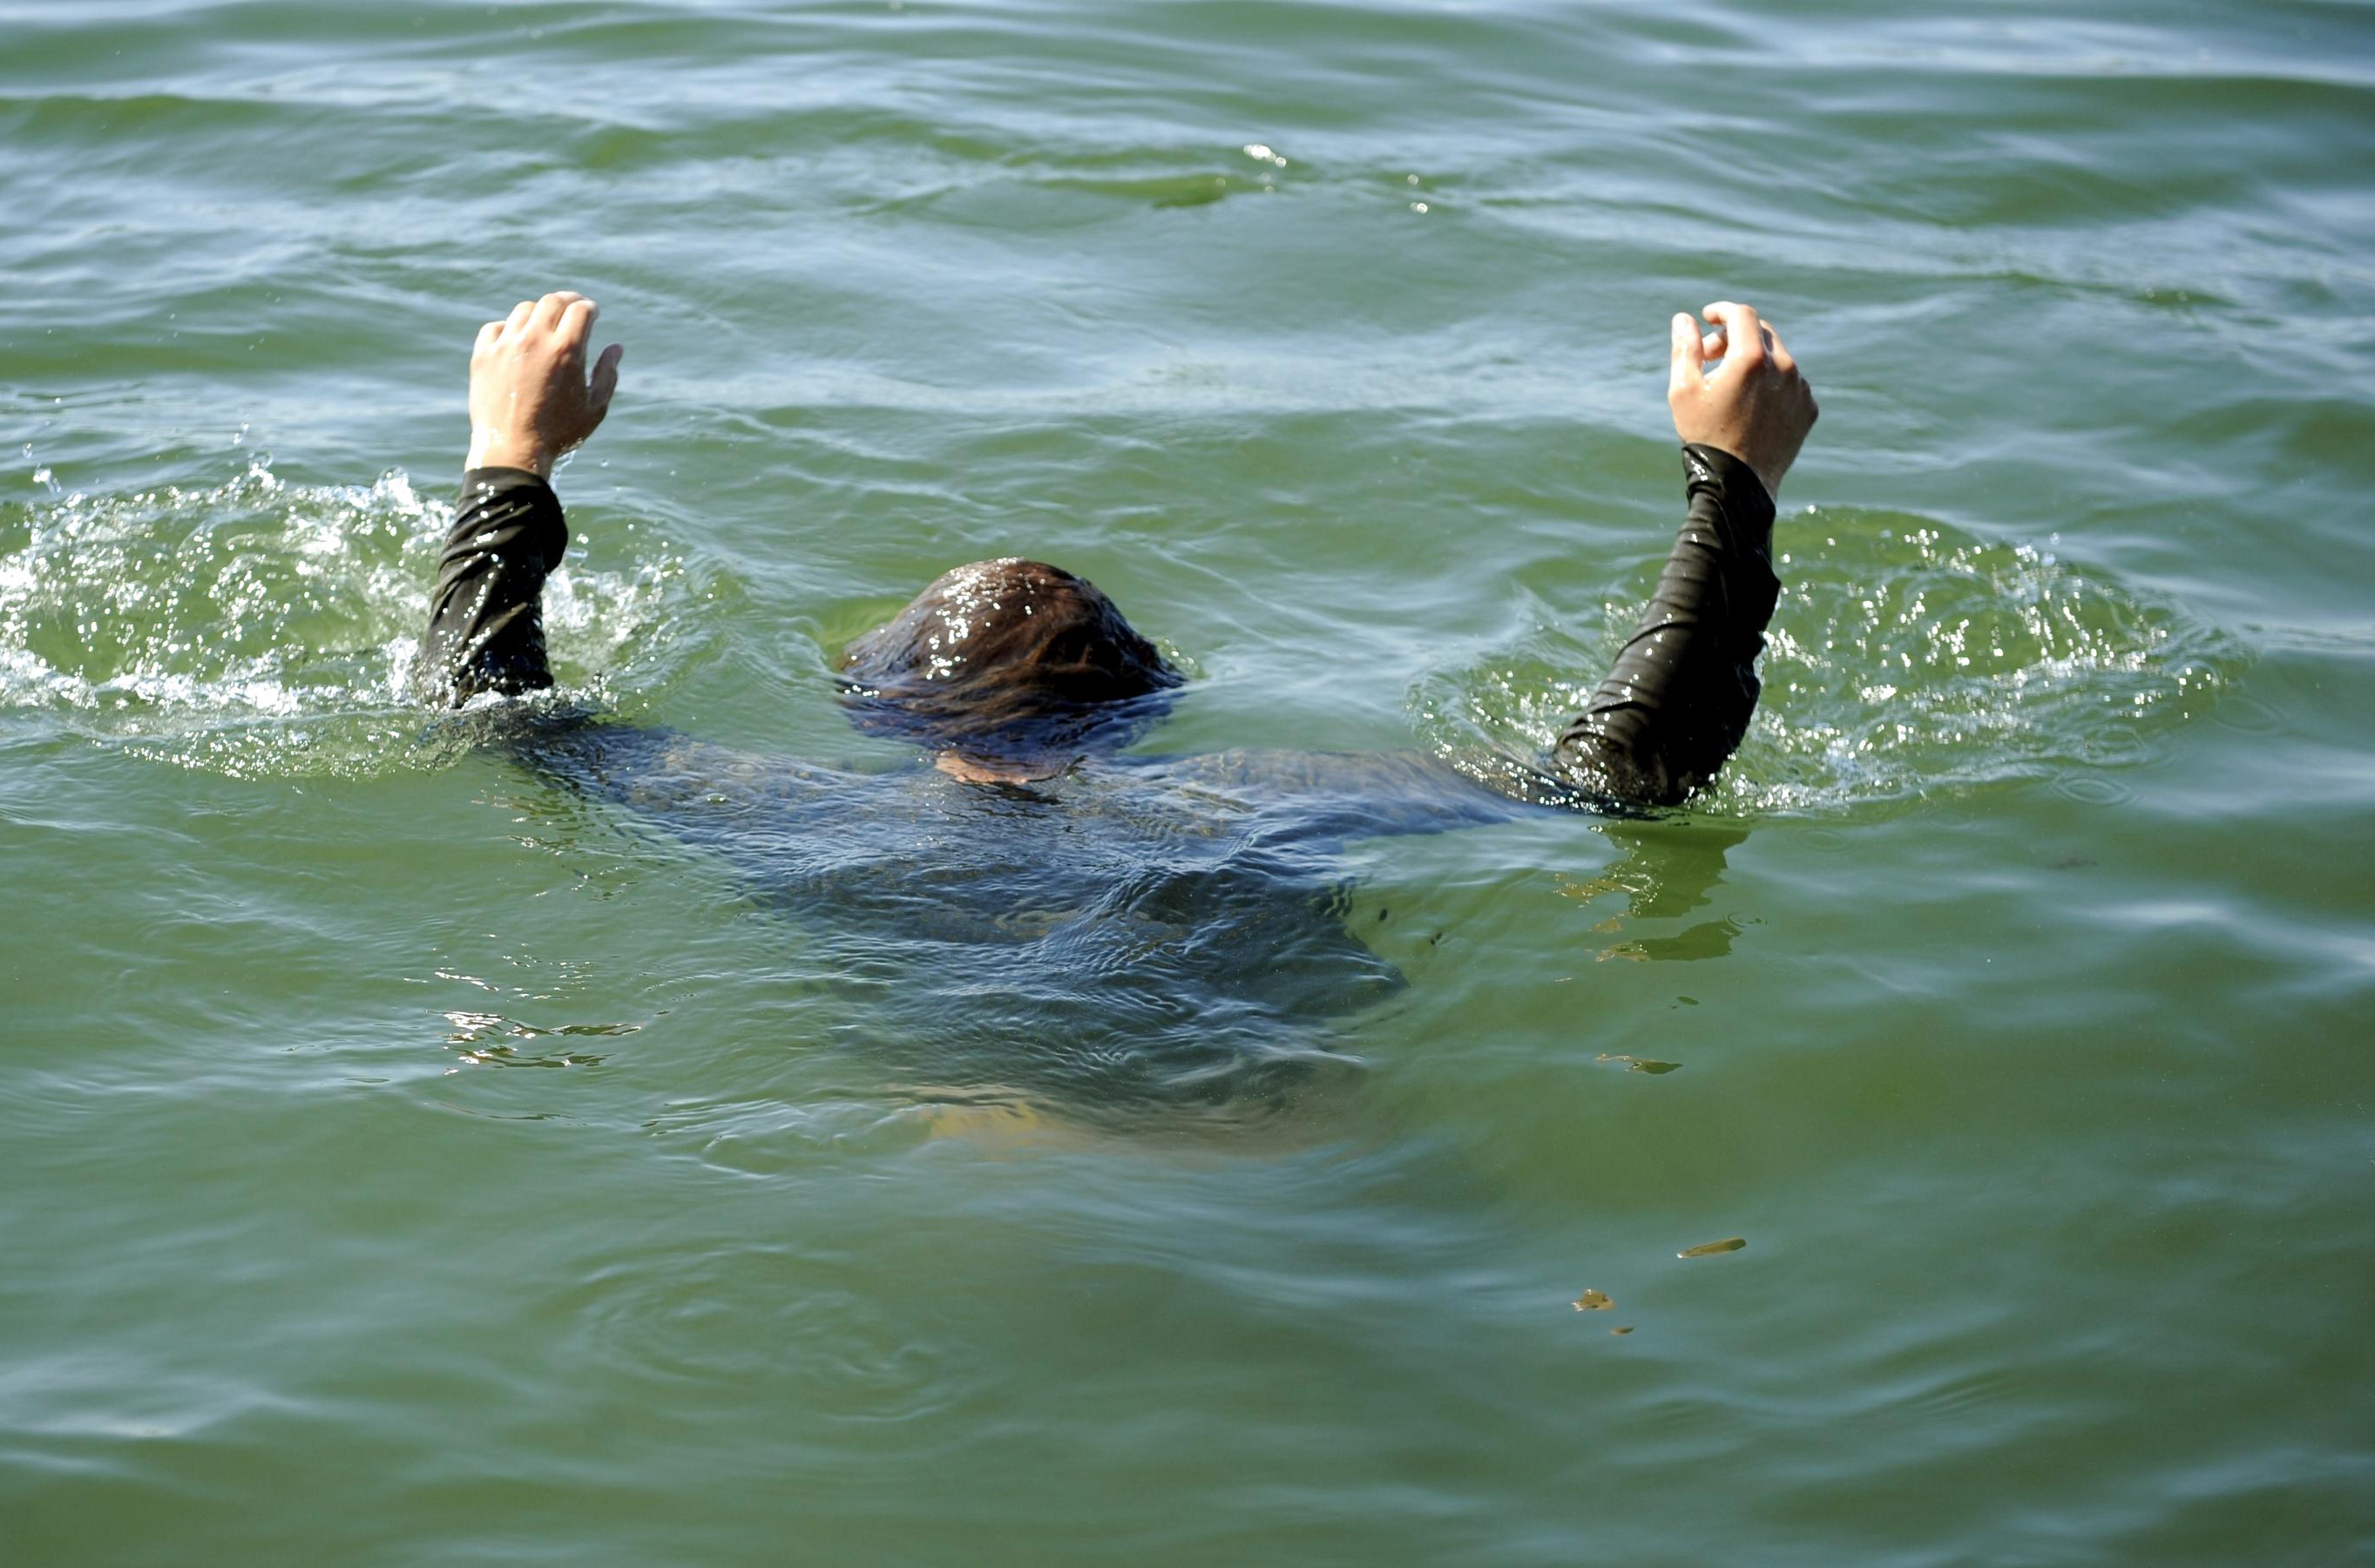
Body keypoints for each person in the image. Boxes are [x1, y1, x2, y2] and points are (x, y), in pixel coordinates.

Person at [419, 288, 1817, 1113]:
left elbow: (487, 716)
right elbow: (1622, 778)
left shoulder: (786, 816)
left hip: (984, 1139)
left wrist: (511, 462)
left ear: (875, 711)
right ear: (1147, 704)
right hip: (1281, 1123)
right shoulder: (1261, 802)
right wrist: (1729, 483)